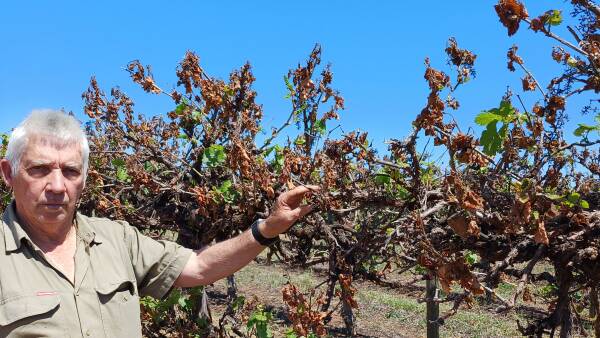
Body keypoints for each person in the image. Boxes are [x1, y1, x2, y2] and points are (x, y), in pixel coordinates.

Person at [0, 110, 316, 337]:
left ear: (83, 180)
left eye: (70, 171)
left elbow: (199, 267)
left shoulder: (117, 240)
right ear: (9, 174)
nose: (57, 186)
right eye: (39, 169)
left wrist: (266, 229)